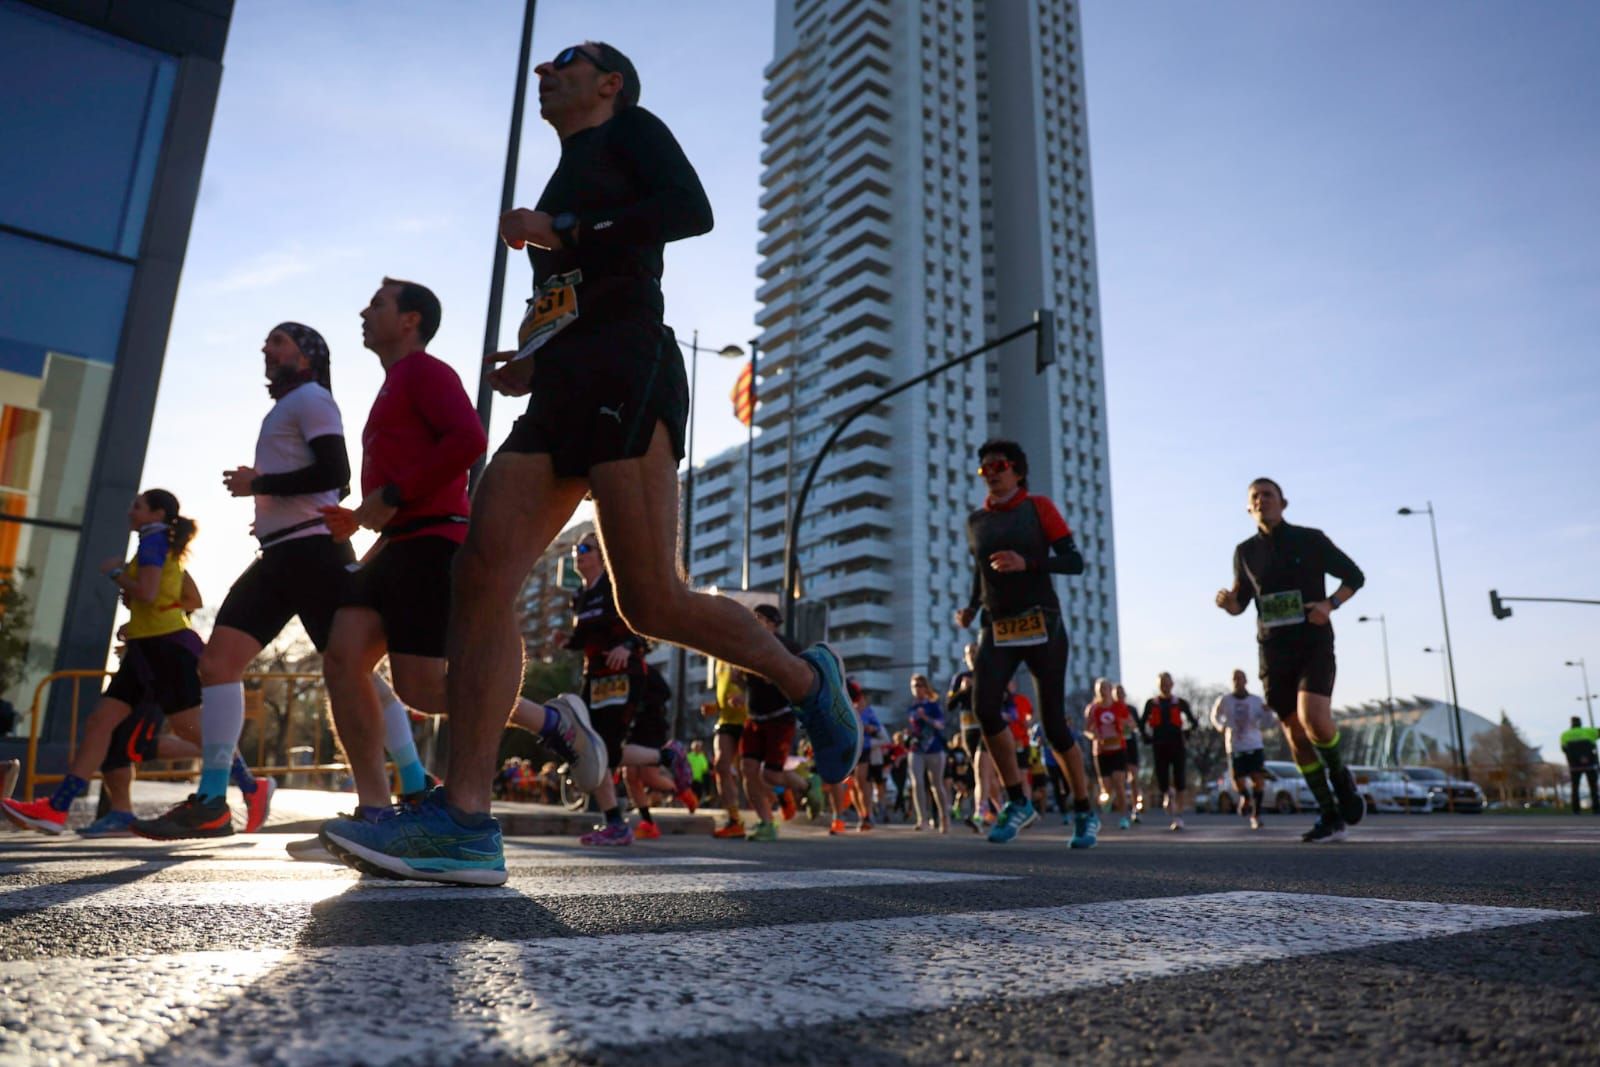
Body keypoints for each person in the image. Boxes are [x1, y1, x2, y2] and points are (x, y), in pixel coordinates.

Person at [323, 42, 860, 884]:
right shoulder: (563, 172)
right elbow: (572, 293)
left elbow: (691, 210)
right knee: (482, 571)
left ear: (607, 83)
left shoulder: (632, 132)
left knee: (650, 600)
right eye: (542, 66)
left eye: (563, 61)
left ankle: (803, 673)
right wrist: (533, 356)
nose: (545, 72)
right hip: (561, 387)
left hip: (629, 369)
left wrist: (563, 229)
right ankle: (465, 819)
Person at [132, 323, 352, 840]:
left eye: (279, 341)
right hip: (280, 553)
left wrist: (262, 485)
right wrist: (268, 506)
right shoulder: (288, 406)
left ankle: (414, 781)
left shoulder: (313, 398)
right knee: (218, 663)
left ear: (308, 354)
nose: (266, 349)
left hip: (315, 552)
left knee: (353, 672)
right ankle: (212, 801)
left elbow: (337, 472)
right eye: (266, 342)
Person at [3, 491, 206, 836]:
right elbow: (169, 598)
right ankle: (57, 807)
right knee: (100, 723)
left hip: (165, 650)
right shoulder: (156, 543)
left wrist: (115, 573)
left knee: (191, 730)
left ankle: (249, 784)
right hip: (146, 646)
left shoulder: (155, 541)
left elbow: (148, 592)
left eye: (137, 505)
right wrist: (142, 620)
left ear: (157, 513)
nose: (130, 510)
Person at [955, 439, 1097, 847]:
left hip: (1041, 623)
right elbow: (979, 573)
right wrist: (969, 607)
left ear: (1017, 470)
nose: (991, 472)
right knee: (984, 708)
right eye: (984, 468)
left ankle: (1084, 810)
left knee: (1052, 723)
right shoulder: (976, 521)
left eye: (998, 465)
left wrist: (1028, 563)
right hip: (996, 626)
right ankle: (1017, 800)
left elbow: (1074, 562)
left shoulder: (1038, 507)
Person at [1215, 476, 1366, 844]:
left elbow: (1355, 576)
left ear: (1284, 503)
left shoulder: (1310, 539)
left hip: (1312, 641)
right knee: (1295, 735)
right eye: (1255, 496)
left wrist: (1330, 604)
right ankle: (1330, 814)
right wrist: (1228, 603)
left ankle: (1341, 778)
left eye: (1269, 494)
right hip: (1273, 651)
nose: (1262, 500)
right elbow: (1241, 601)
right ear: (1249, 509)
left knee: (1313, 717)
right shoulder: (1245, 552)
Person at [559, 532, 692, 847]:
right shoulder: (579, 596)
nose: (578, 554)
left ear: (602, 556)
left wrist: (629, 645)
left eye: (585, 548)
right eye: (576, 549)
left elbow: (644, 626)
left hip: (623, 675)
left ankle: (619, 820)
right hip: (594, 678)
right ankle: (617, 821)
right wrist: (564, 641)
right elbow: (584, 638)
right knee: (596, 750)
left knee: (603, 748)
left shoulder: (616, 588)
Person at [738, 604, 819, 842]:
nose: (755, 622)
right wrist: (740, 686)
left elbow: (802, 678)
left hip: (780, 716)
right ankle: (766, 823)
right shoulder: (745, 646)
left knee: (771, 776)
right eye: (753, 618)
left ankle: (806, 785)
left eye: (760, 618)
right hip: (754, 718)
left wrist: (777, 677)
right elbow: (748, 682)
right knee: (748, 771)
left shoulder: (788, 647)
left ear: (774, 622)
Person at [1211, 669, 1274, 830]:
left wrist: (1268, 712)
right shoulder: (1225, 700)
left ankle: (1256, 815)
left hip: (1254, 745)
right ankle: (1244, 797)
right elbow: (1215, 716)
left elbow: (1267, 723)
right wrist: (1220, 726)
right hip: (1235, 745)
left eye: (1241, 678)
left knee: (1258, 779)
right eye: (1235, 679)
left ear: (1246, 681)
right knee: (1237, 780)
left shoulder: (1255, 700)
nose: (1238, 682)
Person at [948, 643, 1001, 831]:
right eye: (968, 653)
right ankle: (1001, 812)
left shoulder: (989, 674)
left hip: (986, 728)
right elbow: (949, 705)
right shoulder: (960, 677)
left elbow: (1001, 699)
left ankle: (980, 813)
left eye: (975, 652)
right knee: (986, 776)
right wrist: (962, 690)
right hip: (968, 730)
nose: (971, 655)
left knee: (980, 770)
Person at [1140, 672, 1198, 830]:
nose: (1165, 686)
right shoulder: (1151, 703)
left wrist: (1186, 733)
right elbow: (1141, 723)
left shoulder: (1180, 703)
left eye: (1167, 683)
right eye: (1162, 683)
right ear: (1158, 685)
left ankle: (1178, 815)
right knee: (1162, 779)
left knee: (1180, 779)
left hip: (1177, 745)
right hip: (1159, 745)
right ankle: (1167, 795)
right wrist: (1146, 737)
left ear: (1172, 684)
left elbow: (1194, 722)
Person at [705, 657, 750, 837]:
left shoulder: (745, 649)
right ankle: (734, 819)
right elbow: (724, 692)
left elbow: (764, 685)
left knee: (749, 771)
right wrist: (715, 707)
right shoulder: (718, 660)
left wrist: (745, 697)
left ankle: (777, 801)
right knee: (721, 766)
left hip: (749, 719)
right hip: (726, 720)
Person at [905, 674, 951, 832]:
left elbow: (941, 725)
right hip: (916, 749)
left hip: (934, 749)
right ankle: (921, 819)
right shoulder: (911, 707)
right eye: (913, 686)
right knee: (917, 783)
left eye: (919, 685)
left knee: (936, 785)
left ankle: (944, 818)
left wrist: (926, 718)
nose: (916, 689)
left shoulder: (933, 705)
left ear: (925, 687)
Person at [1085, 679, 1131, 829]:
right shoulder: (1093, 709)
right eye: (1099, 689)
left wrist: (1124, 728)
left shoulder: (1119, 707)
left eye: (1105, 688)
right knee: (1106, 788)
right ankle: (1102, 813)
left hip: (1118, 749)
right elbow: (1087, 729)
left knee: (1119, 782)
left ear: (1110, 690)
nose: (1102, 691)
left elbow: (1131, 726)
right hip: (1101, 751)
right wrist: (1094, 736)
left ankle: (1124, 817)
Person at [1560, 716, 1599, 815]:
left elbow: (1563, 749)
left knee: (1575, 787)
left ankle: (1576, 810)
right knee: (1593, 787)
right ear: (1580, 723)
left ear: (1571, 724)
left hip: (1575, 766)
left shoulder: (1565, 735)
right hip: (1590, 764)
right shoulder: (1589, 731)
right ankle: (1596, 809)